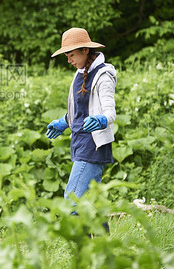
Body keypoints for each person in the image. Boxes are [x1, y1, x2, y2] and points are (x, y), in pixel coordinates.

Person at [45, 27, 117, 210]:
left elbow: (110, 113)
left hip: (93, 146)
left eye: (71, 55)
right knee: (91, 204)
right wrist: (64, 122)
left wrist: (101, 120)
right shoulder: (78, 74)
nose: (69, 60)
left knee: (72, 201)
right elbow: (79, 111)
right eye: (66, 56)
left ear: (86, 50)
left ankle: (80, 239)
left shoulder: (103, 75)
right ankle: (101, 239)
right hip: (79, 143)